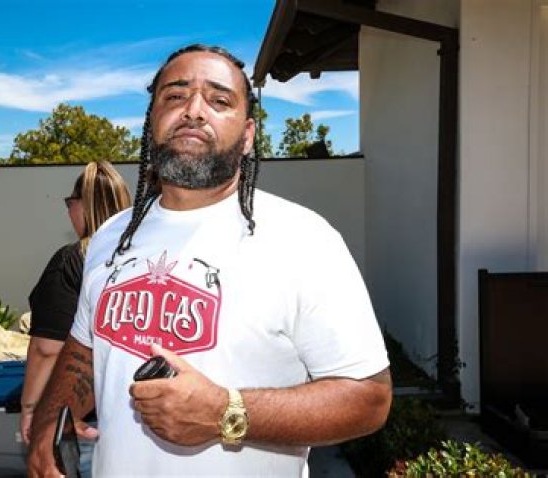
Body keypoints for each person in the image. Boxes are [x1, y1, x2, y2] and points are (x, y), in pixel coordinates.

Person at [28, 44, 392, 477]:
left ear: (248, 135)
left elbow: (369, 399)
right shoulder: (111, 237)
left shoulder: (304, 240)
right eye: (175, 96)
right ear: (152, 121)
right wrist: (49, 424)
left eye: (219, 100)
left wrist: (226, 412)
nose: (194, 110)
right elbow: (85, 350)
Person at [20, 160, 131, 476]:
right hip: (137, 419)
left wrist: (31, 409)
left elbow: (47, 349)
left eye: (70, 202)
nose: (68, 210)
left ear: (85, 206)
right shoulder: (141, 259)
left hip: (81, 422)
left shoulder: (72, 260)